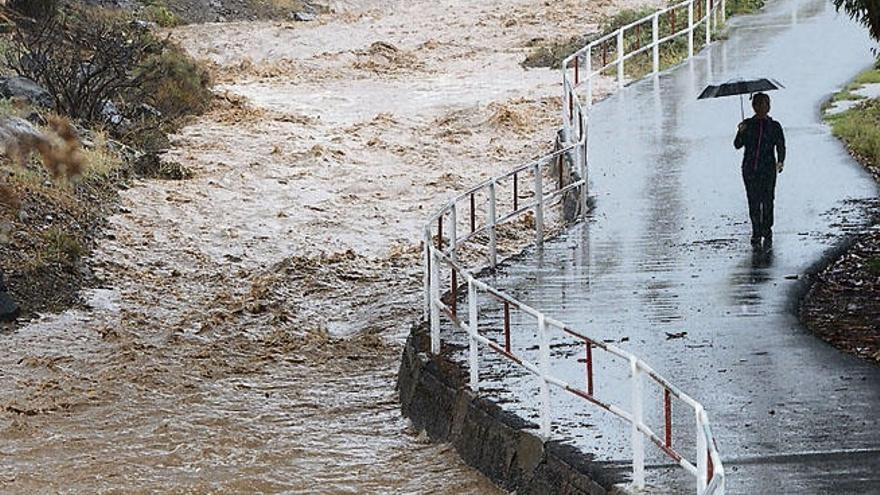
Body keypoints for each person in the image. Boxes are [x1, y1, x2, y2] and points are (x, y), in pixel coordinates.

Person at [734, 92, 786, 249]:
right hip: (750, 169)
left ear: (769, 106)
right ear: (754, 106)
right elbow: (737, 144)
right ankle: (756, 231)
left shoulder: (775, 126)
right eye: (760, 105)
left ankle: (767, 228)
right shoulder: (747, 124)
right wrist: (741, 131)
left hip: (768, 169)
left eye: (766, 104)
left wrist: (780, 161)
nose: (763, 108)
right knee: (754, 201)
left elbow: (781, 145)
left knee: (768, 199)